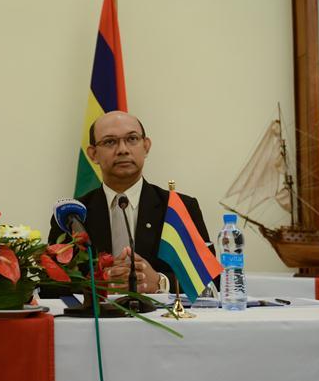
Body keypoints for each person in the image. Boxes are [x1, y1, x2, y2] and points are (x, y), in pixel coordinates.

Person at [48, 111, 215, 294]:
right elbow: (50, 285)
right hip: (96, 321)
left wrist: (161, 282)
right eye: (110, 142)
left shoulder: (178, 208)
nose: (123, 149)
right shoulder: (71, 215)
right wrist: (97, 285)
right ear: (93, 154)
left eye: (132, 139)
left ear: (146, 146)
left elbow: (212, 282)